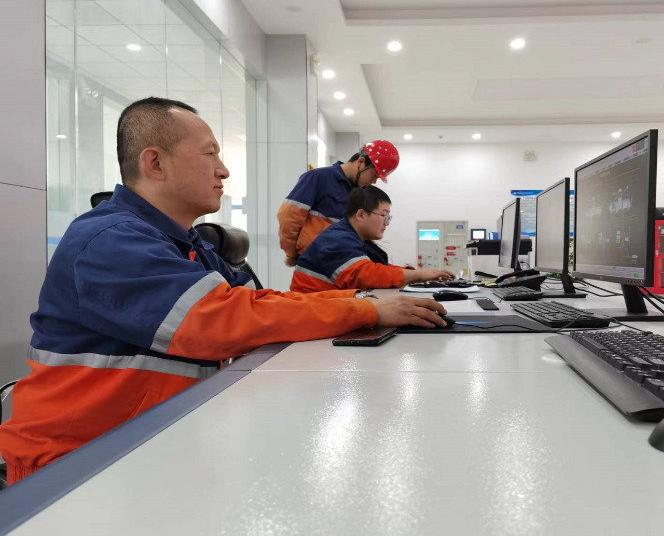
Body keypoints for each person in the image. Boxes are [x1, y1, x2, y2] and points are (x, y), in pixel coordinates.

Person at [0, 98, 446, 486]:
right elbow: (220, 321)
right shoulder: (110, 241)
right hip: (74, 464)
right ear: (155, 164)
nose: (224, 170)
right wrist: (365, 311)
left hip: (145, 441)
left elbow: (255, 302)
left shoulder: (185, 242)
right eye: (210, 153)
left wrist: (360, 302)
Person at [291, 186, 455, 293]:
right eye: (384, 216)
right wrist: (419, 275)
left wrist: (414, 274)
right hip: (315, 314)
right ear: (361, 214)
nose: (387, 223)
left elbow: (377, 268)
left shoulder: (353, 238)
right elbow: (366, 275)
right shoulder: (336, 240)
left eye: (388, 218)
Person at [277, 140, 399, 266]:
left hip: (345, 262)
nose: (374, 182)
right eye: (374, 175)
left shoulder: (361, 192)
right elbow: (289, 217)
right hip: (317, 262)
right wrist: (291, 254)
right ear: (361, 162)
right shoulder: (318, 177)